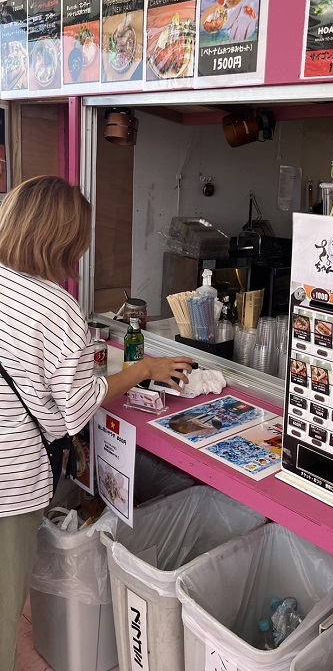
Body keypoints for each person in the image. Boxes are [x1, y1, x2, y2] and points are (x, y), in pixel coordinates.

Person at [0, 176, 195, 671]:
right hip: (10, 483)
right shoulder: (53, 305)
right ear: (62, 238)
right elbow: (78, 407)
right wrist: (142, 371)